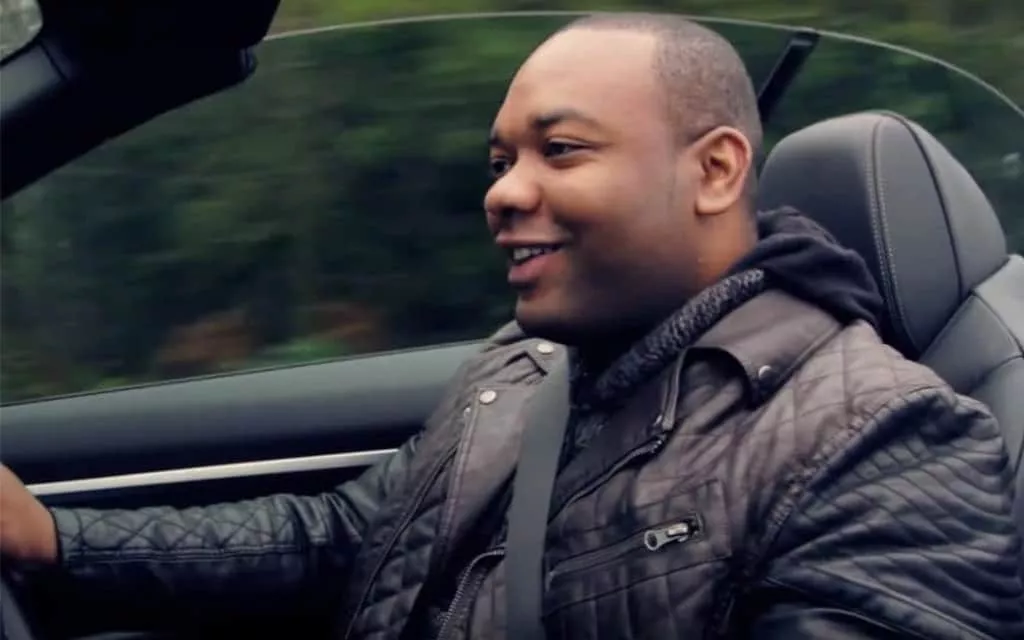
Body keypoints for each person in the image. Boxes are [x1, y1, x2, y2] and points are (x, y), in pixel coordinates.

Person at [1, 12, 1021, 640]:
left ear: (714, 171)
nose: (502, 193)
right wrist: (54, 541)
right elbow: (352, 539)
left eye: (559, 150)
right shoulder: (526, 367)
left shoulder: (880, 442)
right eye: (500, 162)